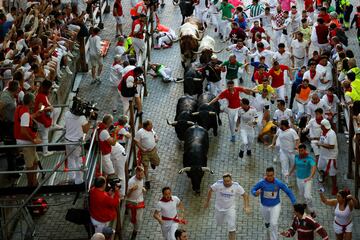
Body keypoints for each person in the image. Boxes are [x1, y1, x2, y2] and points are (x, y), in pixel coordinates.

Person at [251, 167, 296, 240]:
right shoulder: (261, 183)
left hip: (275, 205)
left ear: (274, 174)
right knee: (267, 220)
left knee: (274, 223)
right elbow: (253, 189)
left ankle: (274, 238)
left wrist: (294, 202)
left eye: (271, 175)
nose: (269, 177)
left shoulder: (278, 183)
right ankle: (267, 222)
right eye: (268, 175)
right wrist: (255, 193)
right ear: (266, 175)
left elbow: (288, 191)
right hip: (264, 206)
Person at [204, 173, 250, 240]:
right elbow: (210, 190)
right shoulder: (218, 184)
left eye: (228, 181)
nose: (227, 183)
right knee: (219, 223)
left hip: (230, 209)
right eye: (225, 181)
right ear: (223, 181)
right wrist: (207, 202)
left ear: (231, 180)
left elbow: (245, 195)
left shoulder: (236, 186)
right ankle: (221, 220)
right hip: (219, 208)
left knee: (232, 227)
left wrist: (246, 206)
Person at [14, 93, 42, 187]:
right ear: (30, 102)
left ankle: (34, 181)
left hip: (24, 140)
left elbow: (23, 121)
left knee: (35, 162)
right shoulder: (25, 113)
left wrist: (34, 115)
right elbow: (23, 131)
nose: (35, 102)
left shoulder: (20, 108)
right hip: (26, 142)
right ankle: (31, 185)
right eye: (33, 100)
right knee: (30, 165)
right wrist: (33, 140)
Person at [288, 144, 317, 217]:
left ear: (305, 150)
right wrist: (290, 172)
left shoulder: (309, 158)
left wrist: (310, 176)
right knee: (301, 194)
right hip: (299, 179)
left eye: (302, 150)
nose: (300, 152)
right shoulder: (296, 157)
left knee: (308, 196)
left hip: (307, 180)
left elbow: (313, 167)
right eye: (299, 150)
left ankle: (312, 210)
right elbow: (295, 165)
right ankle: (304, 205)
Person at [34, 80, 61, 156]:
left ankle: (53, 124)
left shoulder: (41, 95)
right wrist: (48, 108)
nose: (50, 90)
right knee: (45, 136)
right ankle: (45, 152)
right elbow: (40, 108)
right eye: (50, 88)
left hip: (41, 118)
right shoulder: (42, 96)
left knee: (57, 109)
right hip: (41, 119)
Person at [270, 120, 300, 185]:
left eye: (280, 125)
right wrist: (273, 144)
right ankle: (287, 182)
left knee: (293, 166)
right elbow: (276, 136)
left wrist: (296, 146)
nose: (279, 126)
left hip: (292, 153)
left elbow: (297, 139)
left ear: (284, 126)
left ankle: (296, 177)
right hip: (283, 152)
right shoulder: (279, 130)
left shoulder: (292, 131)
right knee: (284, 167)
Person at [0, 81, 20, 178]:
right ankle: (12, 172)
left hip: (12, 124)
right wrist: (3, 118)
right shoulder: (6, 97)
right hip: (8, 125)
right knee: (10, 148)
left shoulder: (10, 95)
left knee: (13, 147)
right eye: (19, 87)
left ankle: (14, 167)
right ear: (15, 89)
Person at [134, 120, 160, 189]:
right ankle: (147, 181)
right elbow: (136, 141)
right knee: (145, 166)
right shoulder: (140, 132)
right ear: (147, 126)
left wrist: (156, 138)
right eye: (151, 125)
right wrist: (141, 148)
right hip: (145, 153)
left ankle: (153, 162)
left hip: (153, 151)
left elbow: (155, 135)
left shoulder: (151, 130)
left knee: (157, 162)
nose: (152, 126)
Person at [317, 119, 338, 195]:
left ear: (324, 126)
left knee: (332, 173)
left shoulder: (331, 134)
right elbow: (321, 140)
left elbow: (331, 146)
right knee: (320, 167)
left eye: (321, 126)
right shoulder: (323, 132)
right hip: (323, 154)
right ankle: (323, 179)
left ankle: (334, 187)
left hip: (330, 157)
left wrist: (320, 144)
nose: (320, 127)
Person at [126, 166, 146, 240]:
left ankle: (135, 231)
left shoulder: (142, 179)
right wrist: (131, 189)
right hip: (131, 202)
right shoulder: (131, 181)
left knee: (139, 219)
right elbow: (127, 194)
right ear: (136, 174)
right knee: (131, 218)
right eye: (139, 175)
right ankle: (135, 227)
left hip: (139, 201)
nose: (140, 176)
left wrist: (142, 188)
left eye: (142, 174)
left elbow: (140, 186)